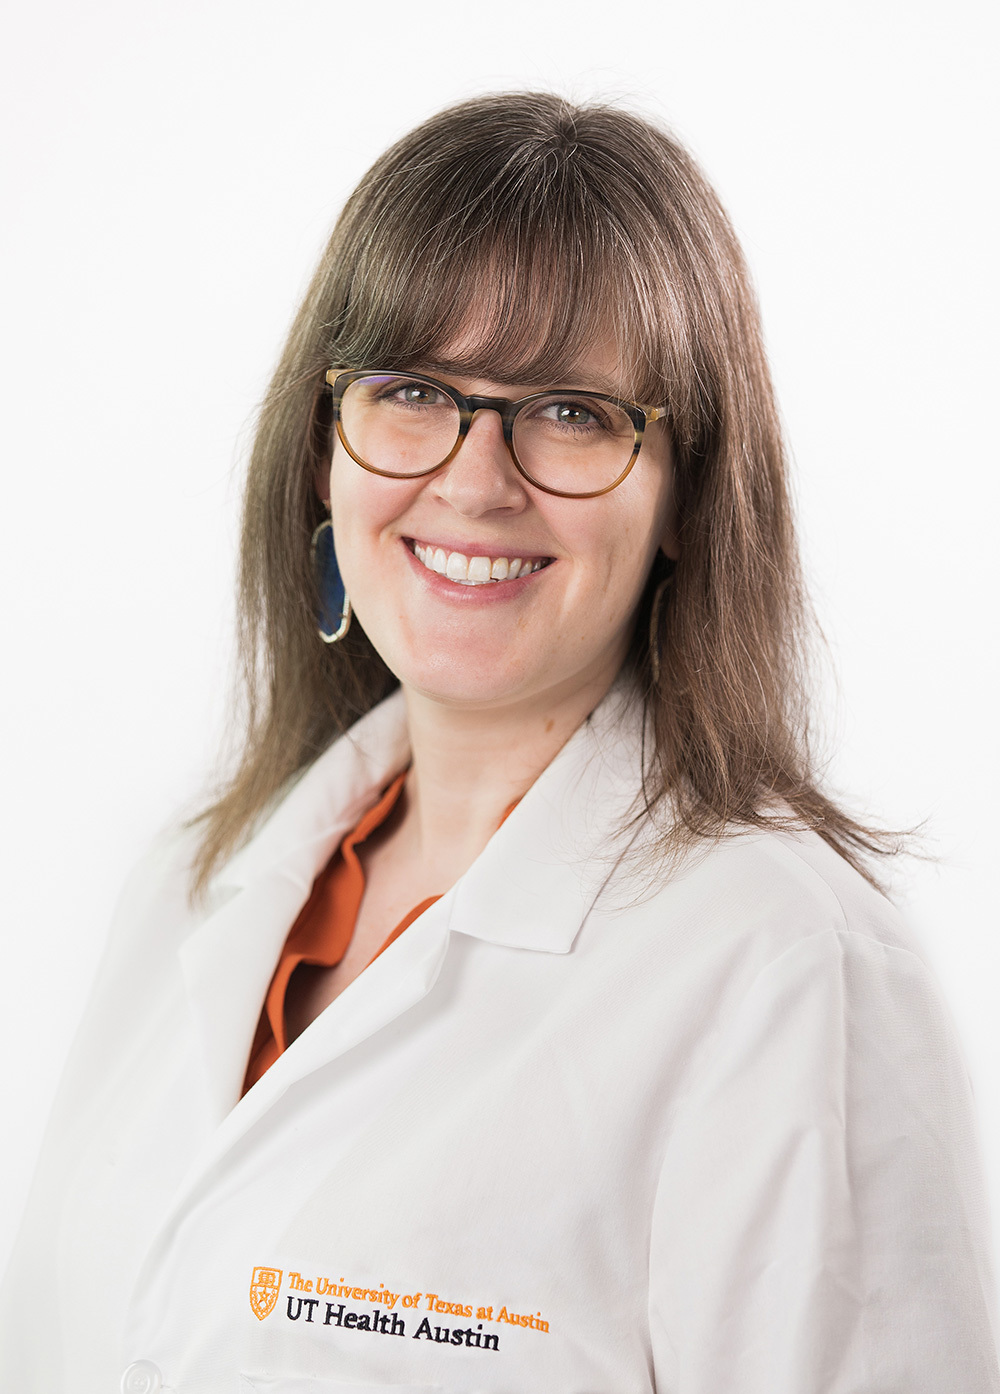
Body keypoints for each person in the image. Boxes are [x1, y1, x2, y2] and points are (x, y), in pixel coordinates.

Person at [2, 91, 998, 1394]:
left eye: (571, 411)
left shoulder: (792, 970)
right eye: (413, 391)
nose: (475, 483)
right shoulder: (195, 879)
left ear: (688, 493)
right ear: (323, 450)